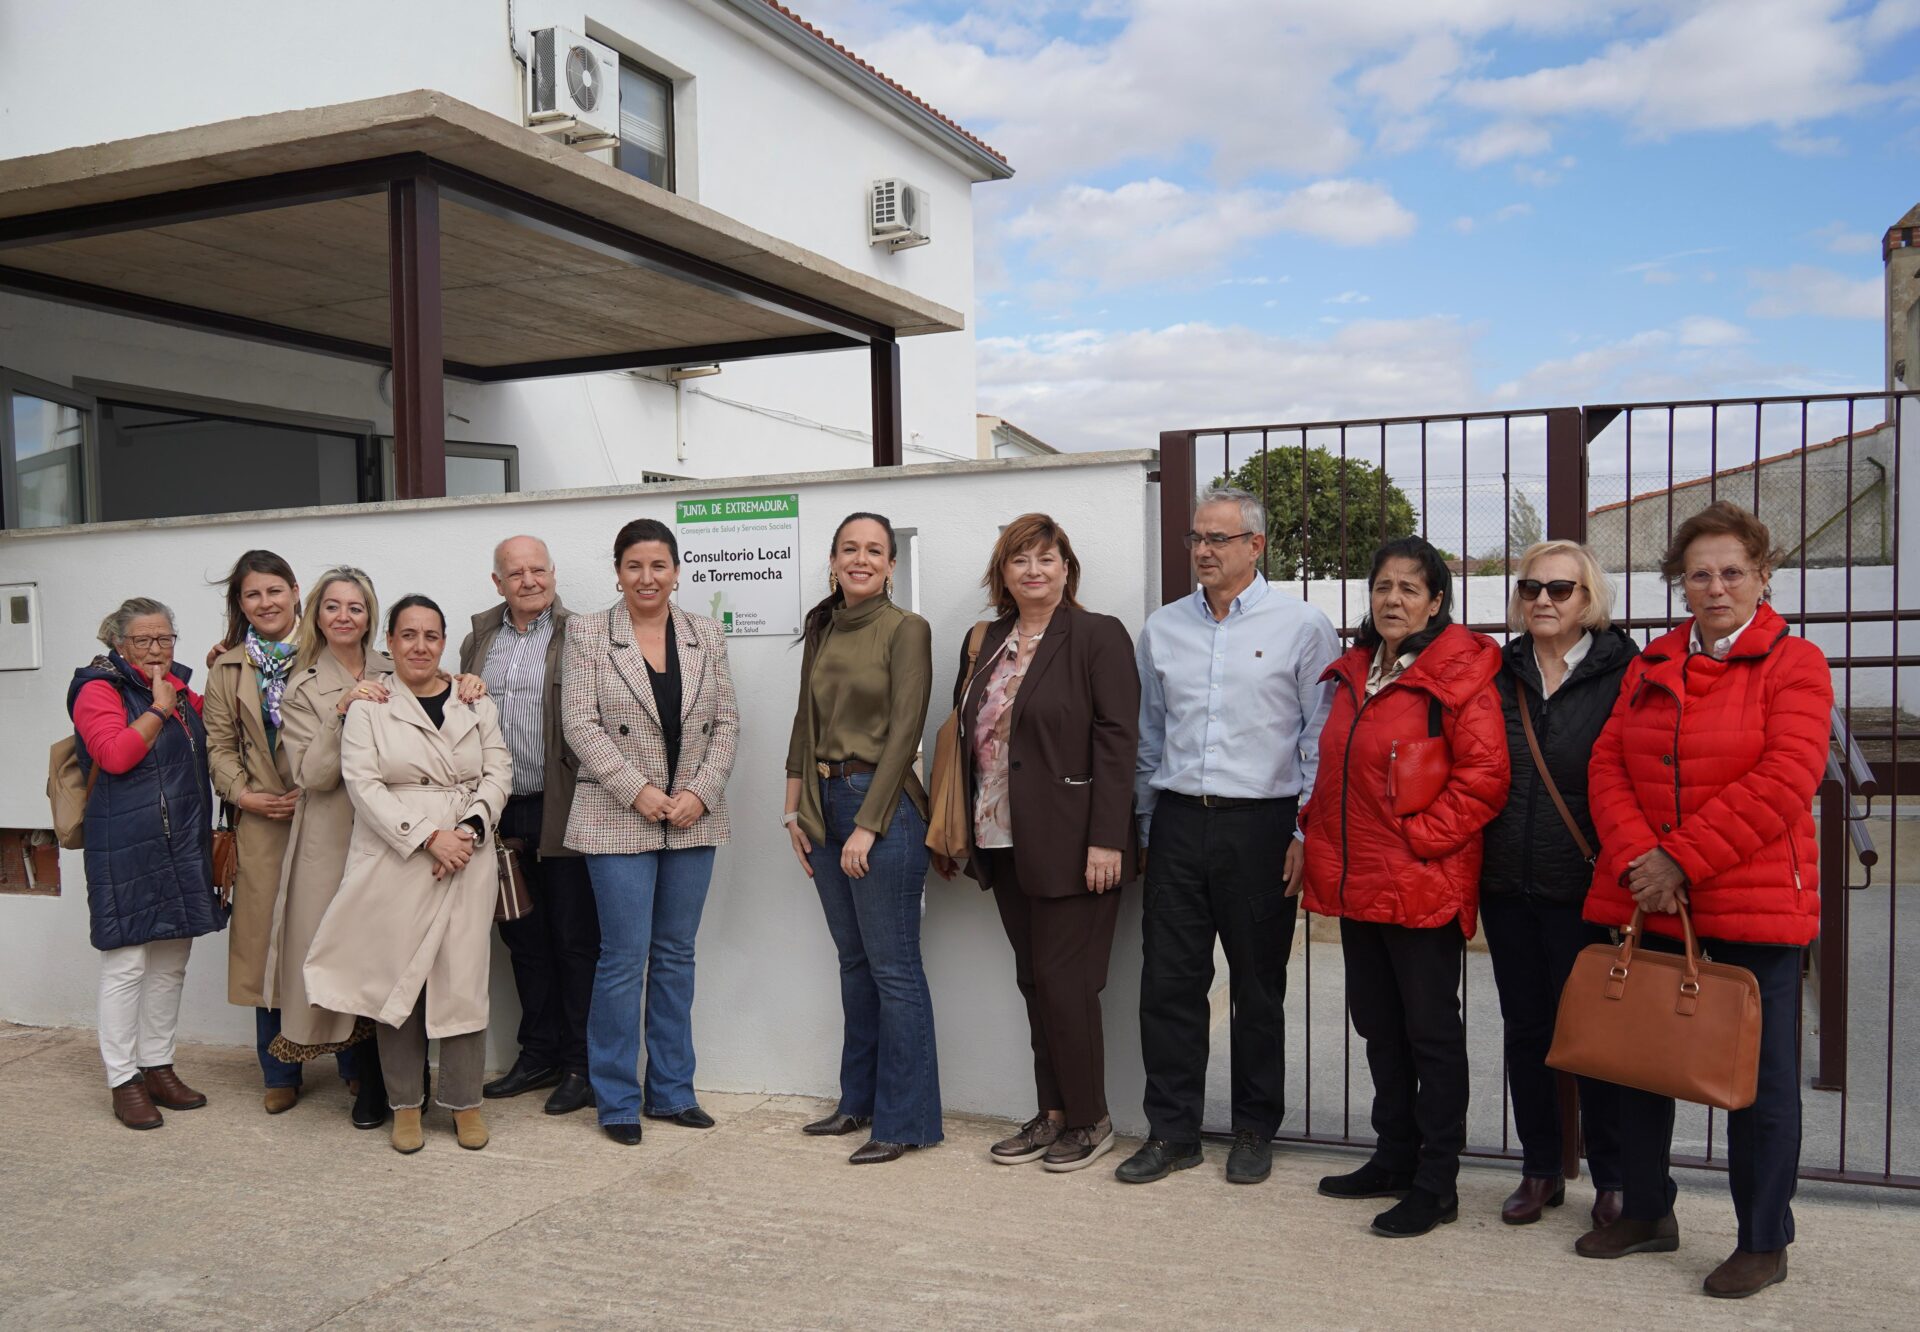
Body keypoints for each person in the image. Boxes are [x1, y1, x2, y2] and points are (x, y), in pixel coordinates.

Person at [1576, 501, 1831, 1300]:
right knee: (1642, 1067)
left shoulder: (1798, 664)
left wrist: (1678, 859)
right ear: (1678, 584)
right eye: (1699, 573)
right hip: (1652, 900)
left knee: (1759, 1085)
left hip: (1752, 906)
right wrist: (1638, 862)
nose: (1715, 585)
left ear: (1762, 575)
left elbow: (1785, 781)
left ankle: (1763, 1239)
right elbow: (1607, 767)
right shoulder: (1649, 664)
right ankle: (1648, 1213)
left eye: (1731, 571)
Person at [1115, 487, 1338, 1188]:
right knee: (1169, 984)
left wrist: (1302, 830)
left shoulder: (1303, 626)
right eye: (1196, 539)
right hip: (1180, 819)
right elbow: (1151, 735)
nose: (1204, 552)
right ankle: (1173, 1132)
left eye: (1219, 539)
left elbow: (1318, 739)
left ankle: (1252, 1128)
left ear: (1256, 546)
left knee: (1258, 988)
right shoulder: (1164, 628)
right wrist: (1150, 826)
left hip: (1262, 826)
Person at [1302, 535, 1509, 1238]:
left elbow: (1484, 780)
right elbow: (1334, 773)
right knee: (1379, 1029)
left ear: (1437, 602)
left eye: (1409, 589)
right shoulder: (1358, 669)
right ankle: (1392, 1157)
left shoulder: (1458, 675)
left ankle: (1436, 1181)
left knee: (1430, 1037)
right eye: (1383, 586)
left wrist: (1417, 841)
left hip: (1420, 886)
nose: (1393, 599)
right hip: (1360, 884)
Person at [943, 514, 1139, 1174]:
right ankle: (1053, 1112)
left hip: (1076, 842)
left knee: (1066, 983)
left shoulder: (1097, 636)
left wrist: (1108, 839)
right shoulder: (987, 640)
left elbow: (1119, 741)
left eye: (1046, 559)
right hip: (1000, 838)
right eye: (1020, 560)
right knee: (1036, 981)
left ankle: (1091, 1118)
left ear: (1066, 569)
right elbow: (971, 735)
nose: (1034, 570)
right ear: (1003, 573)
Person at [304, 596, 512, 1155]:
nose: (420, 646)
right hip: (398, 855)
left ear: (445, 642)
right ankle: (404, 1106)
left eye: (431, 636)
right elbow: (362, 783)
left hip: (467, 855)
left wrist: (468, 827)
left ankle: (465, 1104)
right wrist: (427, 837)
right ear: (389, 643)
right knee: (400, 982)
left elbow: (499, 770)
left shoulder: (476, 703)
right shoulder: (370, 706)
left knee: (463, 980)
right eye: (408, 635)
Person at [561, 519, 738, 1147]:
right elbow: (579, 725)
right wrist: (640, 792)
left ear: (677, 571)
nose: (647, 578)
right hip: (616, 816)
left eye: (659, 565)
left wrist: (698, 793)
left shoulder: (704, 634)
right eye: (634, 566)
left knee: (674, 957)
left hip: (693, 819)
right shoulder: (586, 632)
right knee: (622, 960)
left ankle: (671, 1091)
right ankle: (615, 1099)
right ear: (617, 571)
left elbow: (726, 726)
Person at [1482, 541, 1636, 1226]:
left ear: (1588, 598)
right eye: (1531, 587)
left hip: (1587, 887)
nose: (1543, 599)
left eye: (1561, 589)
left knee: (1597, 1039)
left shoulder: (1622, 670)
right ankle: (1541, 1167)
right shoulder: (1497, 670)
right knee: (1528, 1032)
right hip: (1508, 884)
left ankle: (1613, 1176)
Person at [784, 512, 940, 1165]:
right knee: (854, 965)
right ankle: (858, 1102)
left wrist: (870, 825)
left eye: (874, 550)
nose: (861, 559)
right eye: (850, 549)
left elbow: (907, 730)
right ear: (832, 561)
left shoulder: (907, 630)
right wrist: (794, 810)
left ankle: (905, 1123)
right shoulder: (822, 626)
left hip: (883, 806)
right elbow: (804, 721)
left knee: (894, 970)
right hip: (823, 806)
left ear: (891, 564)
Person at [67, 598, 224, 1130]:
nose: (157, 650)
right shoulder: (98, 689)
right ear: (118, 644)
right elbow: (113, 754)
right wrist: (158, 709)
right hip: (125, 848)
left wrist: (222, 672)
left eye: (165, 639)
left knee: (171, 963)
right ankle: (123, 1078)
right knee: (127, 964)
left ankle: (158, 1065)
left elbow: (217, 726)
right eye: (144, 641)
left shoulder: (179, 689)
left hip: (181, 843)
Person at [460, 535, 600, 1119]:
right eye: (515, 573)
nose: (528, 581)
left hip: (563, 804)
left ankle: (579, 1065)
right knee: (521, 937)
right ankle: (536, 1053)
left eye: (537, 570)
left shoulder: (582, 635)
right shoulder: (478, 639)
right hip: (501, 808)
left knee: (573, 939)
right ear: (498, 582)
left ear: (553, 573)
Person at [265, 568, 398, 1131]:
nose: (345, 617)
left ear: (371, 615)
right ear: (316, 614)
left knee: (390, 954)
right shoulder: (301, 687)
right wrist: (343, 710)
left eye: (357, 607)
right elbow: (311, 775)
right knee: (347, 956)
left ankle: (398, 1080)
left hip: (393, 832)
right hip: (333, 837)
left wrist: (466, 685)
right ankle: (367, 1087)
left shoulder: (397, 667)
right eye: (333, 607)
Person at [203, 550, 314, 1113]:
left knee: (332, 937)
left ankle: (352, 1063)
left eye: (275, 591)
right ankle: (279, 1072)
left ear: (296, 591)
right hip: (260, 820)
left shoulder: (329, 648)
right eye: (253, 595)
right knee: (265, 945)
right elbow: (217, 745)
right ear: (240, 604)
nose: (266, 603)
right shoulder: (226, 667)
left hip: (327, 813)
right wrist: (244, 795)